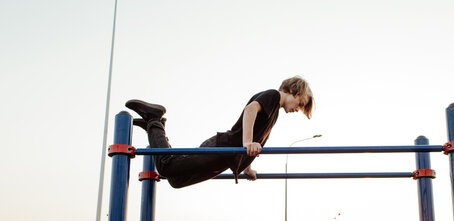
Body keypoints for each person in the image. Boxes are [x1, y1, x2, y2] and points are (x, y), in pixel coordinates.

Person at [126, 76, 314, 189]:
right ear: (292, 90)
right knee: (167, 167)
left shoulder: (274, 115)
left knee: (175, 181)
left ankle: (155, 129)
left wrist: (247, 167)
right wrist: (248, 143)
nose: (297, 109)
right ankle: (154, 120)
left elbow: (259, 141)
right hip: (219, 149)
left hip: (224, 161)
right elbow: (250, 110)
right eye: (300, 104)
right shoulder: (273, 96)